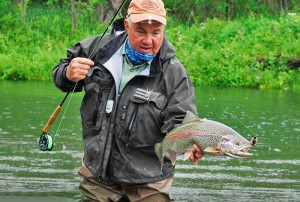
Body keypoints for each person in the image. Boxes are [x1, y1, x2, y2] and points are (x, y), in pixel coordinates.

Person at [52, 0, 203, 201]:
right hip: (97, 177)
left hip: (150, 181)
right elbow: (61, 72)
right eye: (141, 31)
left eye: (156, 33)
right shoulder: (98, 49)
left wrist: (188, 143)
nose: (149, 41)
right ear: (126, 26)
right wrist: (68, 74)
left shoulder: (174, 73)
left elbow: (180, 121)